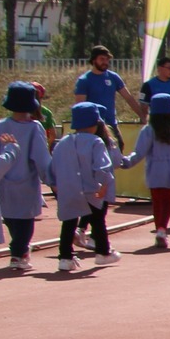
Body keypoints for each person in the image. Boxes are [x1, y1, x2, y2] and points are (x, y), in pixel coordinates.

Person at [119, 93, 170, 248]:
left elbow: (139, 152)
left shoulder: (149, 130)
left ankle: (159, 230)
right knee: (168, 201)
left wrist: (126, 162)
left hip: (155, 169)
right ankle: (163, 229)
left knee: (157, 202)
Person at [49, 102, 117, 271]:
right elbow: (102, 166)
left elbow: (53, 166)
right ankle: (103, 253)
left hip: (69, 189)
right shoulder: (96, 142)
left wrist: (54, 184)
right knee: (98, 221)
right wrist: (105, 183)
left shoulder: (62, 142)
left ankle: (65, 257)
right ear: (95, 123)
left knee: (69, 222)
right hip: (91, 189)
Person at [0, 82, 51, 272]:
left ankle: (18, 251)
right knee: (26, 221)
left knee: (10, 218)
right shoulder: (35, 128)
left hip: (2, 182)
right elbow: (42, 158)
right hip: (27, 182)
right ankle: (19, 253)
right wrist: (51, 180)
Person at [72, 46, 135, 145]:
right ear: (93, 60)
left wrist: (142, 116)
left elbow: (128, 98)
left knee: (119, 148)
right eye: (102, 59)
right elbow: (80, 107)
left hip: (111, 124)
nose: (105, 62)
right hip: (93, 127)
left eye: (107, 59)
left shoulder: (113, 77)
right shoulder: (84, 81)